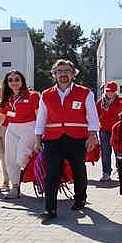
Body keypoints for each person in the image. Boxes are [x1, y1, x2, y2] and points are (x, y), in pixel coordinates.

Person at [35, 59, 99, 221]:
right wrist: (37, 139)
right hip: (52, 139)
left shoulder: (85, 92)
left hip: (77, 138)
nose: (63, 74)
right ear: (54, 74)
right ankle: (50, 209)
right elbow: (41, 118)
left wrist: (92, 135)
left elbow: (93, 116)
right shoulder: (46, 94)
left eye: (66, 71)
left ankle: (80, 199)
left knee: (78, 170)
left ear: (73, 74)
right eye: (59, 71)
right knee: (52, 173)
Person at [0, 70, 39, 199]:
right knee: (10, 159)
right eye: (10, 80)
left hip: (29, 127)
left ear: (22, 81)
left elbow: (38, 115)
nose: (14, 82)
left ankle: (37, 175)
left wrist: (40, 134)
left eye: (17, 79)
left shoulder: (33, 95)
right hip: (12, 128)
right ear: (7, 83)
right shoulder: (7, 98)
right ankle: (15, 187)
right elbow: (1, 117)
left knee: (21, 156)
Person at [96, 81, 122, 181]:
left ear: (115, 91)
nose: (109, 93)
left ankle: (120, 171)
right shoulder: (99, 102)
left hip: (118, 130)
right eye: (107, 91)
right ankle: (106, 173)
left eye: (111, 91)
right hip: (104, 130)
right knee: (105, 152)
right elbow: (95, 116)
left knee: (119, 151)